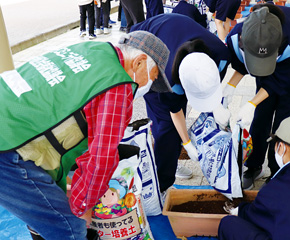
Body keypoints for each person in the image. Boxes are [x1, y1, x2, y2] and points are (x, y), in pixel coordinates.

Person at [0, 31, 171, 240]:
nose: (149, 86)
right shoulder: (118, 85)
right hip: (7, 145)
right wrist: (83, 206)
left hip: (11, 123)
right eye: (152, 78)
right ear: (139, 62)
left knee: (49, 211)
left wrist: (71, 192)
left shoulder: (95, 51)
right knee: (70, 227)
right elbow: (101, 159)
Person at [223, 4, 290, 189]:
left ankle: (277, 169)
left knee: (285, 121)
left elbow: (278, 82)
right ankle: (254, 165)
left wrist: (250, 104)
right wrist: (230, 87)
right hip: (267, 59)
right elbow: (240, 63)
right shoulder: (237, 35)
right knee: (261, 114)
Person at [130, 14, 231, 194]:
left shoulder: (220, 54)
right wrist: (187, 143)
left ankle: (171, 158)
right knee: (167, 129)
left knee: (176, 125)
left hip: (174, 29)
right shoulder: (165, 80)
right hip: (145, 43)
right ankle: (162, 183)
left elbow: (212, 84)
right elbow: (175, 111)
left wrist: (217, 106)